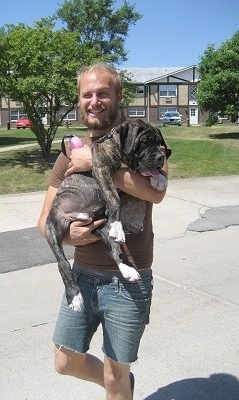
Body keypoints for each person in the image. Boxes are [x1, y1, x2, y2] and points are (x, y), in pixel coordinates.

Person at [38, 62, 169, 400]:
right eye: (87, 95)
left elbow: (156, 190)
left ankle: (119, 384)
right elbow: (43, 222)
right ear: (80, 101)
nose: (95, 101)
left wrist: (94, 164)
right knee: (65, 361)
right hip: (82, 273)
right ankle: (123, 385)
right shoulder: (70, 152)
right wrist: (70, 237)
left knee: (114, 378)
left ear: (118, 96)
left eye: (103, 93)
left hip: (128, 280)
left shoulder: (143, 136)